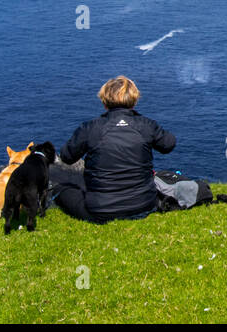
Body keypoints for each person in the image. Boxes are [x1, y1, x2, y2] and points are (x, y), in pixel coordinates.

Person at [54, 75, 177, 223]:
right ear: (134, 100)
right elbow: (169, 144)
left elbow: (67, 156)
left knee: (61, 189)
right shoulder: (146, 126)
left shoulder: (91, 128)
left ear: (104, 101)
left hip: (101, 209)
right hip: (144, 204)